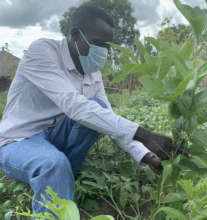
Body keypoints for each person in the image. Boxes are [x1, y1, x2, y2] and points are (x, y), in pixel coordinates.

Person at [0, 5, 184, 217]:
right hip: (19, 140)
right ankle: (56, 172)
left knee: (99, 108)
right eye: (98, 44)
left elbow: (107, 118)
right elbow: (75, 106)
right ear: (75, 35)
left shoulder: (91, 73)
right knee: (53, 164)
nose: (104, 52)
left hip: (55, 137)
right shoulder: (42, 52)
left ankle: (60, 173)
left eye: (108, 46)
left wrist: (144, 154)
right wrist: (144, 134)